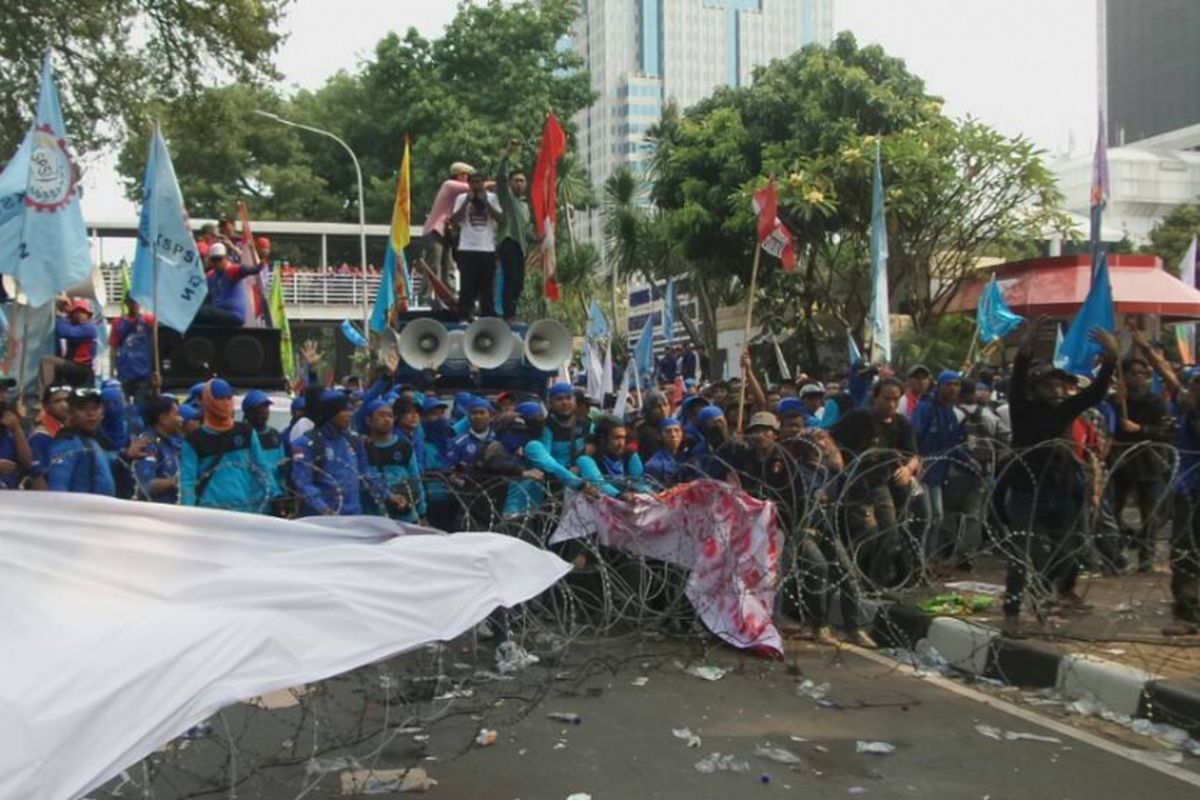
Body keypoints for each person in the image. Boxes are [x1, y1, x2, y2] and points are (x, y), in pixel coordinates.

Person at [1000, 319, 1118, 637]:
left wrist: (1111, 359)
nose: (1056, 390)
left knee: (1067, 550)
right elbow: (1015, 383)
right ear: (1035, 389)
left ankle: (1048, 600)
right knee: (1023, 554)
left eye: (1059, 386)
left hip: (1062, 489)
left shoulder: (1065, 410)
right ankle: (1012, 613)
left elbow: (1094, 394)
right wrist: (1023, 355)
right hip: (1028, 491)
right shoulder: (1023, 409)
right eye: (1048, 385)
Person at [830, 377, 922, 590]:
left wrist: (908, 469)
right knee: (866, 535)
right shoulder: (859, 418)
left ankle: (875, 582)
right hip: (855, 484)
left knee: (889, 535)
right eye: (886, 398)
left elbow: (914, 454)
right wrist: (836, 456)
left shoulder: (901, 424)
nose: (890, 404)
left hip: (882, 485)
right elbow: (830, 435)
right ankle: (851, 580)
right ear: (875, 397)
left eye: (895, 399)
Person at [1110, 354, 1174, 572]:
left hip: (1148, 461)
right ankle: (1118, 550)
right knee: (1113, 509)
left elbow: (1165, 431)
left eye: (1143, 374)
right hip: (1121, 461)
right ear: (1123, 376)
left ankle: (1146, 557)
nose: (1138, 378)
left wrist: (1140, 429)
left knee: (1149, 512)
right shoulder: (1116, 401)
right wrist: (1117, 405)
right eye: (1133, 373)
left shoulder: (1155, 401)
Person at [180, 379, 272, 511]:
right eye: (220, 398)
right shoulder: (194, 440)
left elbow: (262, 468)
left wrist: (265, 504)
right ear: (208, 400)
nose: (226, 403)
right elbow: (187, 481)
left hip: (246, 509)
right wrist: (188, 512)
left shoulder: (246, 432)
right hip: (210, 513)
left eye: (229, 397)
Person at [912, 370, 969, 570]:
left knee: (937, 517)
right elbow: (915, 436)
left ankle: (930, 559)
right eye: (949, 384)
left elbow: (954, 445)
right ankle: (918, 562)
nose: (953, 388)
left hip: (939, 473)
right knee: (926, 517)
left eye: (957, 384)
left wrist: (970, 461)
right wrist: (915, 464)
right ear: (939, 386)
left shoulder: (950, 413)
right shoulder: (926, 408)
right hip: (923, 471)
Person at [290, 389, 376, 516]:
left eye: (351, 410)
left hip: (354, 515)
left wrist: (389, 495)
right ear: (330, 414)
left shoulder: (353, 440)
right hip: (322, 519)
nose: (350, 414)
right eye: (344, 410)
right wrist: (323, 508)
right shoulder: (305, 444)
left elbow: (366, 472)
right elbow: (303, 482)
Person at [47, 387, 147, 495]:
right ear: (70, 413)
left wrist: (126, 455)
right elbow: (57, 488)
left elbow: (99, 464)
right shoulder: (67, 442)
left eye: (95, 408)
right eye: (82, 408)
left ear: (103, 413)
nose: (90, 413)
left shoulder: (90, 439)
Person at [1166, 368, 1200, 636]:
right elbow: (1170, 380)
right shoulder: (1187, 410)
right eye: (1195, 385)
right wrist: (1147, 350)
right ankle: (1188, 614)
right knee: (1185, 553)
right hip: (1188, 491)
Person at [450, 171, 503, 320]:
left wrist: (485, 202)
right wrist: (468, 200)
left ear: (484, 183)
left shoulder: (493, 198)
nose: (476, 185)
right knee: (467, 286)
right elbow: (454, 220)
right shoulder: (461, 198)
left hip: (487, 248)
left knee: (487, 287)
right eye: (473, 182)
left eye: (479, 182)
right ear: (469, 184)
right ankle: (465, 315)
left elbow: (500, 218)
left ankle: (488, 316)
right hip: (467, 248)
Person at [362, 399, 426, 523]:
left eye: (390, 416)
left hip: (405, 514)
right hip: (374, 517)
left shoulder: (404, 446)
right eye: (381, 415)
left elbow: (415, 479)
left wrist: (422, 512)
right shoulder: (362, 448)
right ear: (368, 420)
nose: (387, 419)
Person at [422, 162, 474, 294]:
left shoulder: (461, 196)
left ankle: (449, 293)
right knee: (434, 264)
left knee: (449, 265)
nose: (467, 178)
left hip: (447, 233)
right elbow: (473, 188)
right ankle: (428, 294)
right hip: (435, 230)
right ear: (458, 175)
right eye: (465, 175)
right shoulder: (449, 185)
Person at [495, 140, 531, 321]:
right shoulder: (508, 199)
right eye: (516, 180)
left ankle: (513, 313)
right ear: (511, 183)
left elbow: (527, 231)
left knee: (518, 283)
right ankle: (508, 314)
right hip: (508, 242)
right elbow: (500, 177)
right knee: (510, 280)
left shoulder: (525, 207)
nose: (519, 184)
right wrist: (507, 155)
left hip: (521, 247)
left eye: (522, 181)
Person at [576, 415, 647, 499]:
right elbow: (599, 483)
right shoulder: (590, 460)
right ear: (603, 439)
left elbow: (641, 484)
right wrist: (618, 495)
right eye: (617, 438)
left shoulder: (630, 456)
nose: (621, 444)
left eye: (623, 438)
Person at [197, 243, 262, 327]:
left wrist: (254, 269)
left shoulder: (230, 271)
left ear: (226, 258)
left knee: (204, 312)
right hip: (218, 312)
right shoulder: (211, 276)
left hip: (233, 314)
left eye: (219, 259)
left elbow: (242, 270)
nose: (216, 263)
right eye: (213, 259)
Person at [134, 395, 184, 503]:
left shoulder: (174, 442)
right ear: (163, 419)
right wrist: (175, 481)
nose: (181, 419)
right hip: (155, 513)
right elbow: (145, 485)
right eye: (177, 414)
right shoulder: (147, 443)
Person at [42, 297, 98, 389]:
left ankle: (43, 396)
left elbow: (63, 331)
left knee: (47, 361)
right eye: (77, 312)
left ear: (88, 315)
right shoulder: (75, 325)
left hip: (82, 368)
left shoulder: (89, 328)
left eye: (83, 312)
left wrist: (64, 313)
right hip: (75, 366)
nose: (80, 315)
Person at [109, 298, 156, 406]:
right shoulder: (118, 323)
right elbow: (113, 349)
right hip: (124, 372)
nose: (134, 305)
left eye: (136, 301)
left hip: (144, 373)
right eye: (131, 302)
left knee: (141, 406)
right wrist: (111, 372)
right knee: (123, 407)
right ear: (126, 303)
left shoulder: (149, 320)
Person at [242, 390, 287, 500]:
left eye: (266, 409)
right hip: (251, 497)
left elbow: (281, 463)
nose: (264, 414)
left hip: (275, 496)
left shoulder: (274, 435)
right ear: (249, 413)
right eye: (259, 411)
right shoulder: (242, 435)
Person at [28, 384, 71, 486]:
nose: (64, 405)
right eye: (57, 401)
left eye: (67, 400)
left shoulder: (70, 430)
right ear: (46, 406)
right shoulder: (41, 436)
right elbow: (39, 474)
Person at [542, 382, 589, 468]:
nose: (565, 402)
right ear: (551, 403)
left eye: (569, 398)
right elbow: (546, 459)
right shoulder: (547, 427)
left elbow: (591, 447)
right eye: (559, 399)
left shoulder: (585, 424)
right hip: (557, 475)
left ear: (575, 401)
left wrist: (579, 467)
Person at [643, 417, 695, 487]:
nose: (673, 435)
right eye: (668, 432)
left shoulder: (688, 457)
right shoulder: (654, 464)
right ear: (660, 436)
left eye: (677, 430)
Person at [0, 379, 33, 490]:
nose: (1, 396)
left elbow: (28, 462)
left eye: (3, 390)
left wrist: (17, 429)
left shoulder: (9, 422)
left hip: (9, 498)